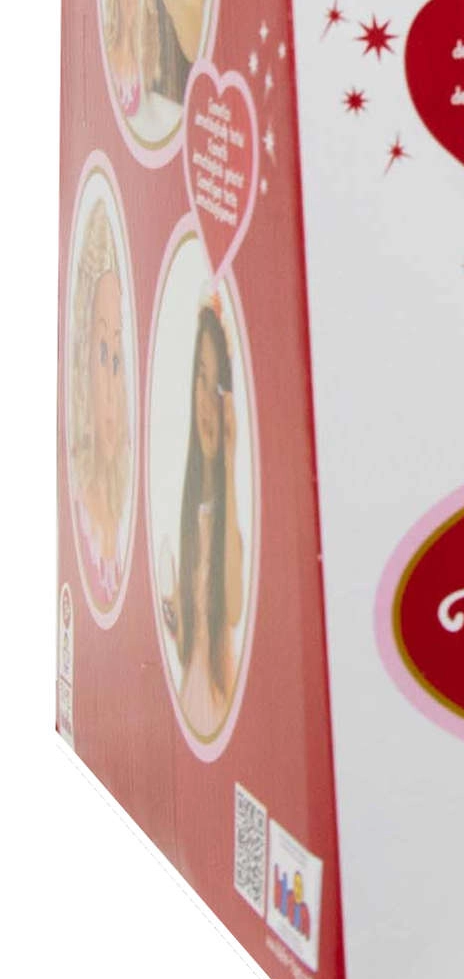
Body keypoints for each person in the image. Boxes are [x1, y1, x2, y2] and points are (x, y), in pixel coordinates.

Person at [164, 299, 244, 737]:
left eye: (216, 386)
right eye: (200, 376)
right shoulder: (189, 513)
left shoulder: (227, 522)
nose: (205, 402)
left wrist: (230, 462)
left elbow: (232, 607)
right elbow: (184, 646)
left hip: (214, 710)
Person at [69, 202, 131, 608]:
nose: (111, 389)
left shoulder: (123, 499)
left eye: (117, 358)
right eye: (102, 353)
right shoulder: (81, 508)